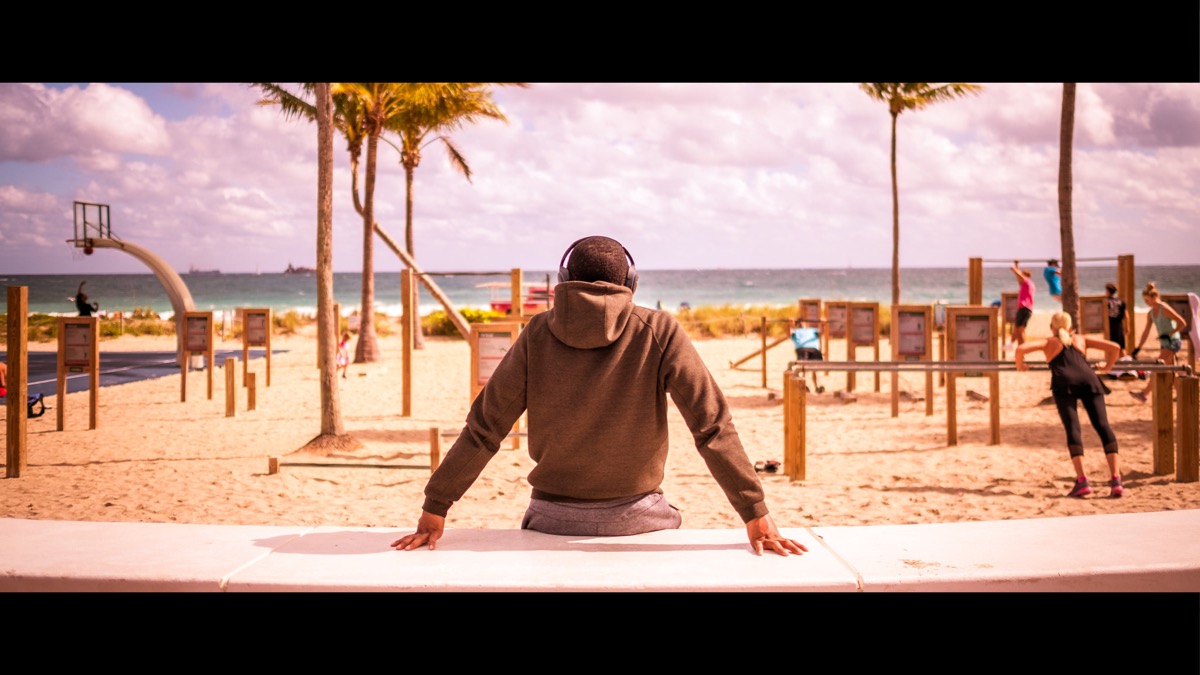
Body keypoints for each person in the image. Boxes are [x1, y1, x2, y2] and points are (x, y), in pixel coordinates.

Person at [392, 235, 807, 557]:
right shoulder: (659, 331)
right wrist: (756, 514)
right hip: (640, 519)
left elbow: (484, 429)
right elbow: (712, 427)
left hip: (550, 518)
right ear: (630, 282)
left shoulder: (537, 332)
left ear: (563, 282)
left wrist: (436, 506)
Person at [1015, 311, 1124, 498]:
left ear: (1052, 328)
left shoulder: (1049, 342)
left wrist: (1020, 366)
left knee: (1073, 429)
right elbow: (1115, 347)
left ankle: (1082, 481)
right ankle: (1116, 479)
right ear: (1071, 327)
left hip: (1064, 383)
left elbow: (1020, 349)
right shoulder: (1080, 339)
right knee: (1103, 426)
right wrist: (1107, 367)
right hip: (1089, 379)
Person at [1130, 281, 1187, 403]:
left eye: (1147, 300)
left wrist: (1169, 334)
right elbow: (1145, 332)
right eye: (1144, 301)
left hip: (1173, 342)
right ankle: (1182, 394)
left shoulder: (1164, 308)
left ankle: (1144, 394)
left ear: (1154, 297)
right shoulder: (1150, 313)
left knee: (1157, 365)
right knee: (1172, 371)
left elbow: (1182, 323)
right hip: (1164, 343)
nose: (1146, 303)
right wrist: (1138, 348)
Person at [789, 322, 824, 393]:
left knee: (814, 369)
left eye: (802, 322)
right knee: (803, 368)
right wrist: (789, 324)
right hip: (802, 349)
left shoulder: (812, 330)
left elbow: (821, 332)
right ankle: (803, 385)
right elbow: (788, 333)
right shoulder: (795, 331)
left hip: (814, 349)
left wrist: (822, 324)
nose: (801, 324)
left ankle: (816, 387)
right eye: (798, 323)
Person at [1010, 261, 1036, 347]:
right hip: (1028, 309)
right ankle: (1018, 348)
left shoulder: (1027, 282)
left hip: (1024, 308)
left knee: (1019, 331)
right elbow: (1019, 277)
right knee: (1020, 330)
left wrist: (1014, 269)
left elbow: (1020, 276)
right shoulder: (1029, 284)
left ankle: (1020, 349)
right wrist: (1016, 266)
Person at [1105, 282, 1127, 353]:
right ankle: (1124, 362)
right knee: (1121, 347)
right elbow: (1126, 315)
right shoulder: (1120, 301)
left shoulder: (1106, 301)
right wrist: (1127, 327)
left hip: (1109, 326)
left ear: (1108, 291)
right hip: (1118, 326)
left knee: (1110, 347)